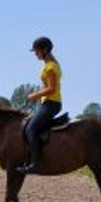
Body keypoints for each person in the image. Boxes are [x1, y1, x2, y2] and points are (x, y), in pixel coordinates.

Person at [18, 36, 63, 174]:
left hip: (51, 104)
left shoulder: (51, 67)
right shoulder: (49, 65)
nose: (35, 54)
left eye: (37, 51)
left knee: (31, 129)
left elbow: (52, 89)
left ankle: (35, 164)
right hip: (46, 103)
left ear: (45, 50)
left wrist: (33, 95)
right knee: (27, 124)